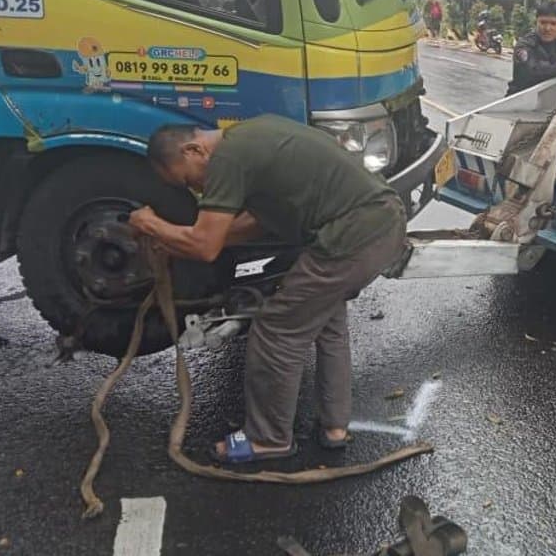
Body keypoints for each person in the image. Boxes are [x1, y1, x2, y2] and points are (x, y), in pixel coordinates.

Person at [129, 114, 407, 465]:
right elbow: (251, 225)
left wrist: (150, 224)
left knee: (276, 330)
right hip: (378, 224)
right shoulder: (251, 139)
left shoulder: (228, 157)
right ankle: (334, 427)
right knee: (328, 322)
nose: (198, 190)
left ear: (194, 149)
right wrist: (175, 241)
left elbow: (205, 246)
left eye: (189, 180)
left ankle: (268, 439)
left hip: (353, 237)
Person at [507, 0, 556, 95]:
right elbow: (531, 72)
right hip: (520, 98)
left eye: (553, 24)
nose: (547, 28)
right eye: (543, 22)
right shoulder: (525, 44)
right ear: (536, 22)